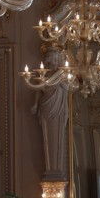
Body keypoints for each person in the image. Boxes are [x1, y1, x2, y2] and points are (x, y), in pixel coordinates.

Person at [31, 47, 69, 178]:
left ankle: (55, 171)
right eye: (48, 56)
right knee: (47, 134)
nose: (50, 59)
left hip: (58, 107)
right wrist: (35, 104)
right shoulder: (44, 74)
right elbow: (38, 89)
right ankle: (51, 170)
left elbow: (67, 87)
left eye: (52, 56)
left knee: (56, 134)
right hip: (46, 105)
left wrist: (61, 77)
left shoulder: (62, 73)